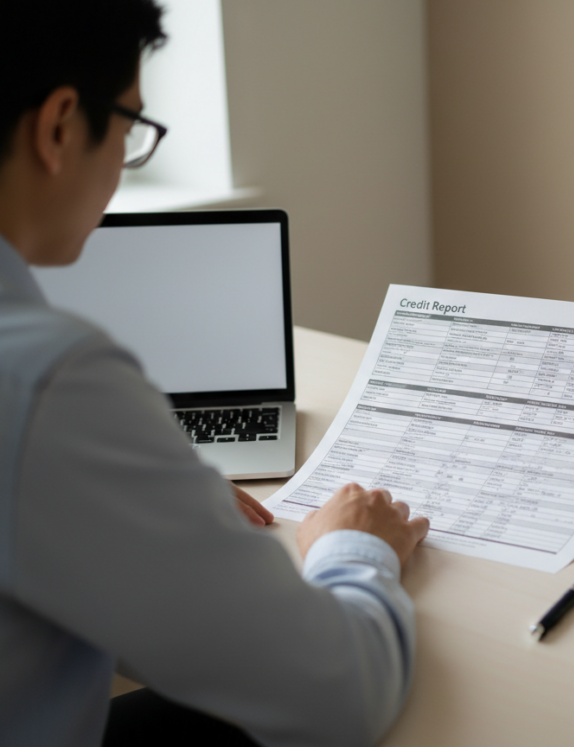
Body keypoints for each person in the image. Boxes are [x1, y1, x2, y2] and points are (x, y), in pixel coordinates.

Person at [0, 2, 429, 745]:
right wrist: (354, 545)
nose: (126, 154)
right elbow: (342, 694)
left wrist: (152, 499)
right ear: (60, 126)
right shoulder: (48, 381)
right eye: (131, 127)